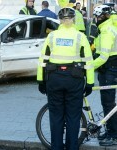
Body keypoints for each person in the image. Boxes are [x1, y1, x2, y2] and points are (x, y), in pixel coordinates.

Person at [37, 7, 94, 150]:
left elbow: (42, 60)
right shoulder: (80, 37)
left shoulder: (52, 36)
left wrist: (41, 80)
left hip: (54, 79)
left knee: (56, 116)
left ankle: (56, 147)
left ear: (60, 20)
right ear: (73, 19)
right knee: (73, 117)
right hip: (74, 79)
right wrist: (90, 83)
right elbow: (88, 61)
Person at [92, 5, 117, 146]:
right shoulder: (104, 28)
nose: (96, 19)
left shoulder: (107, 31)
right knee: (107, 103)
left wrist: (88, 67)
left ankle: (113, 135)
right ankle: (110, 131)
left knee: (108, 103)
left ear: (103, 16)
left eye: (97, 16)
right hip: (108, 69)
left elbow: (103, 56)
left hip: (109, 69)